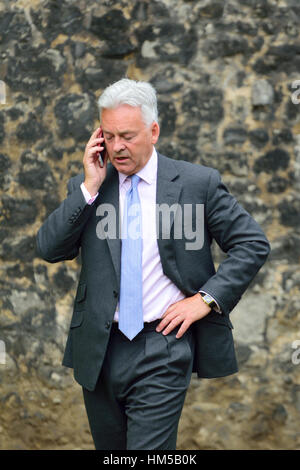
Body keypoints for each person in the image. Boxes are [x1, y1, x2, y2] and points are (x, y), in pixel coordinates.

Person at [36, 78, 270, 450]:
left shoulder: (197, 184)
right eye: (108, 136)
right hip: (99, 348)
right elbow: (49, 248)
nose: (116, 147)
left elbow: (252, 243)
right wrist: (88, 187)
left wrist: (205, 299)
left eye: (126, 136)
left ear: (153, 131)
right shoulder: (90, 188)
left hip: (162, 346)